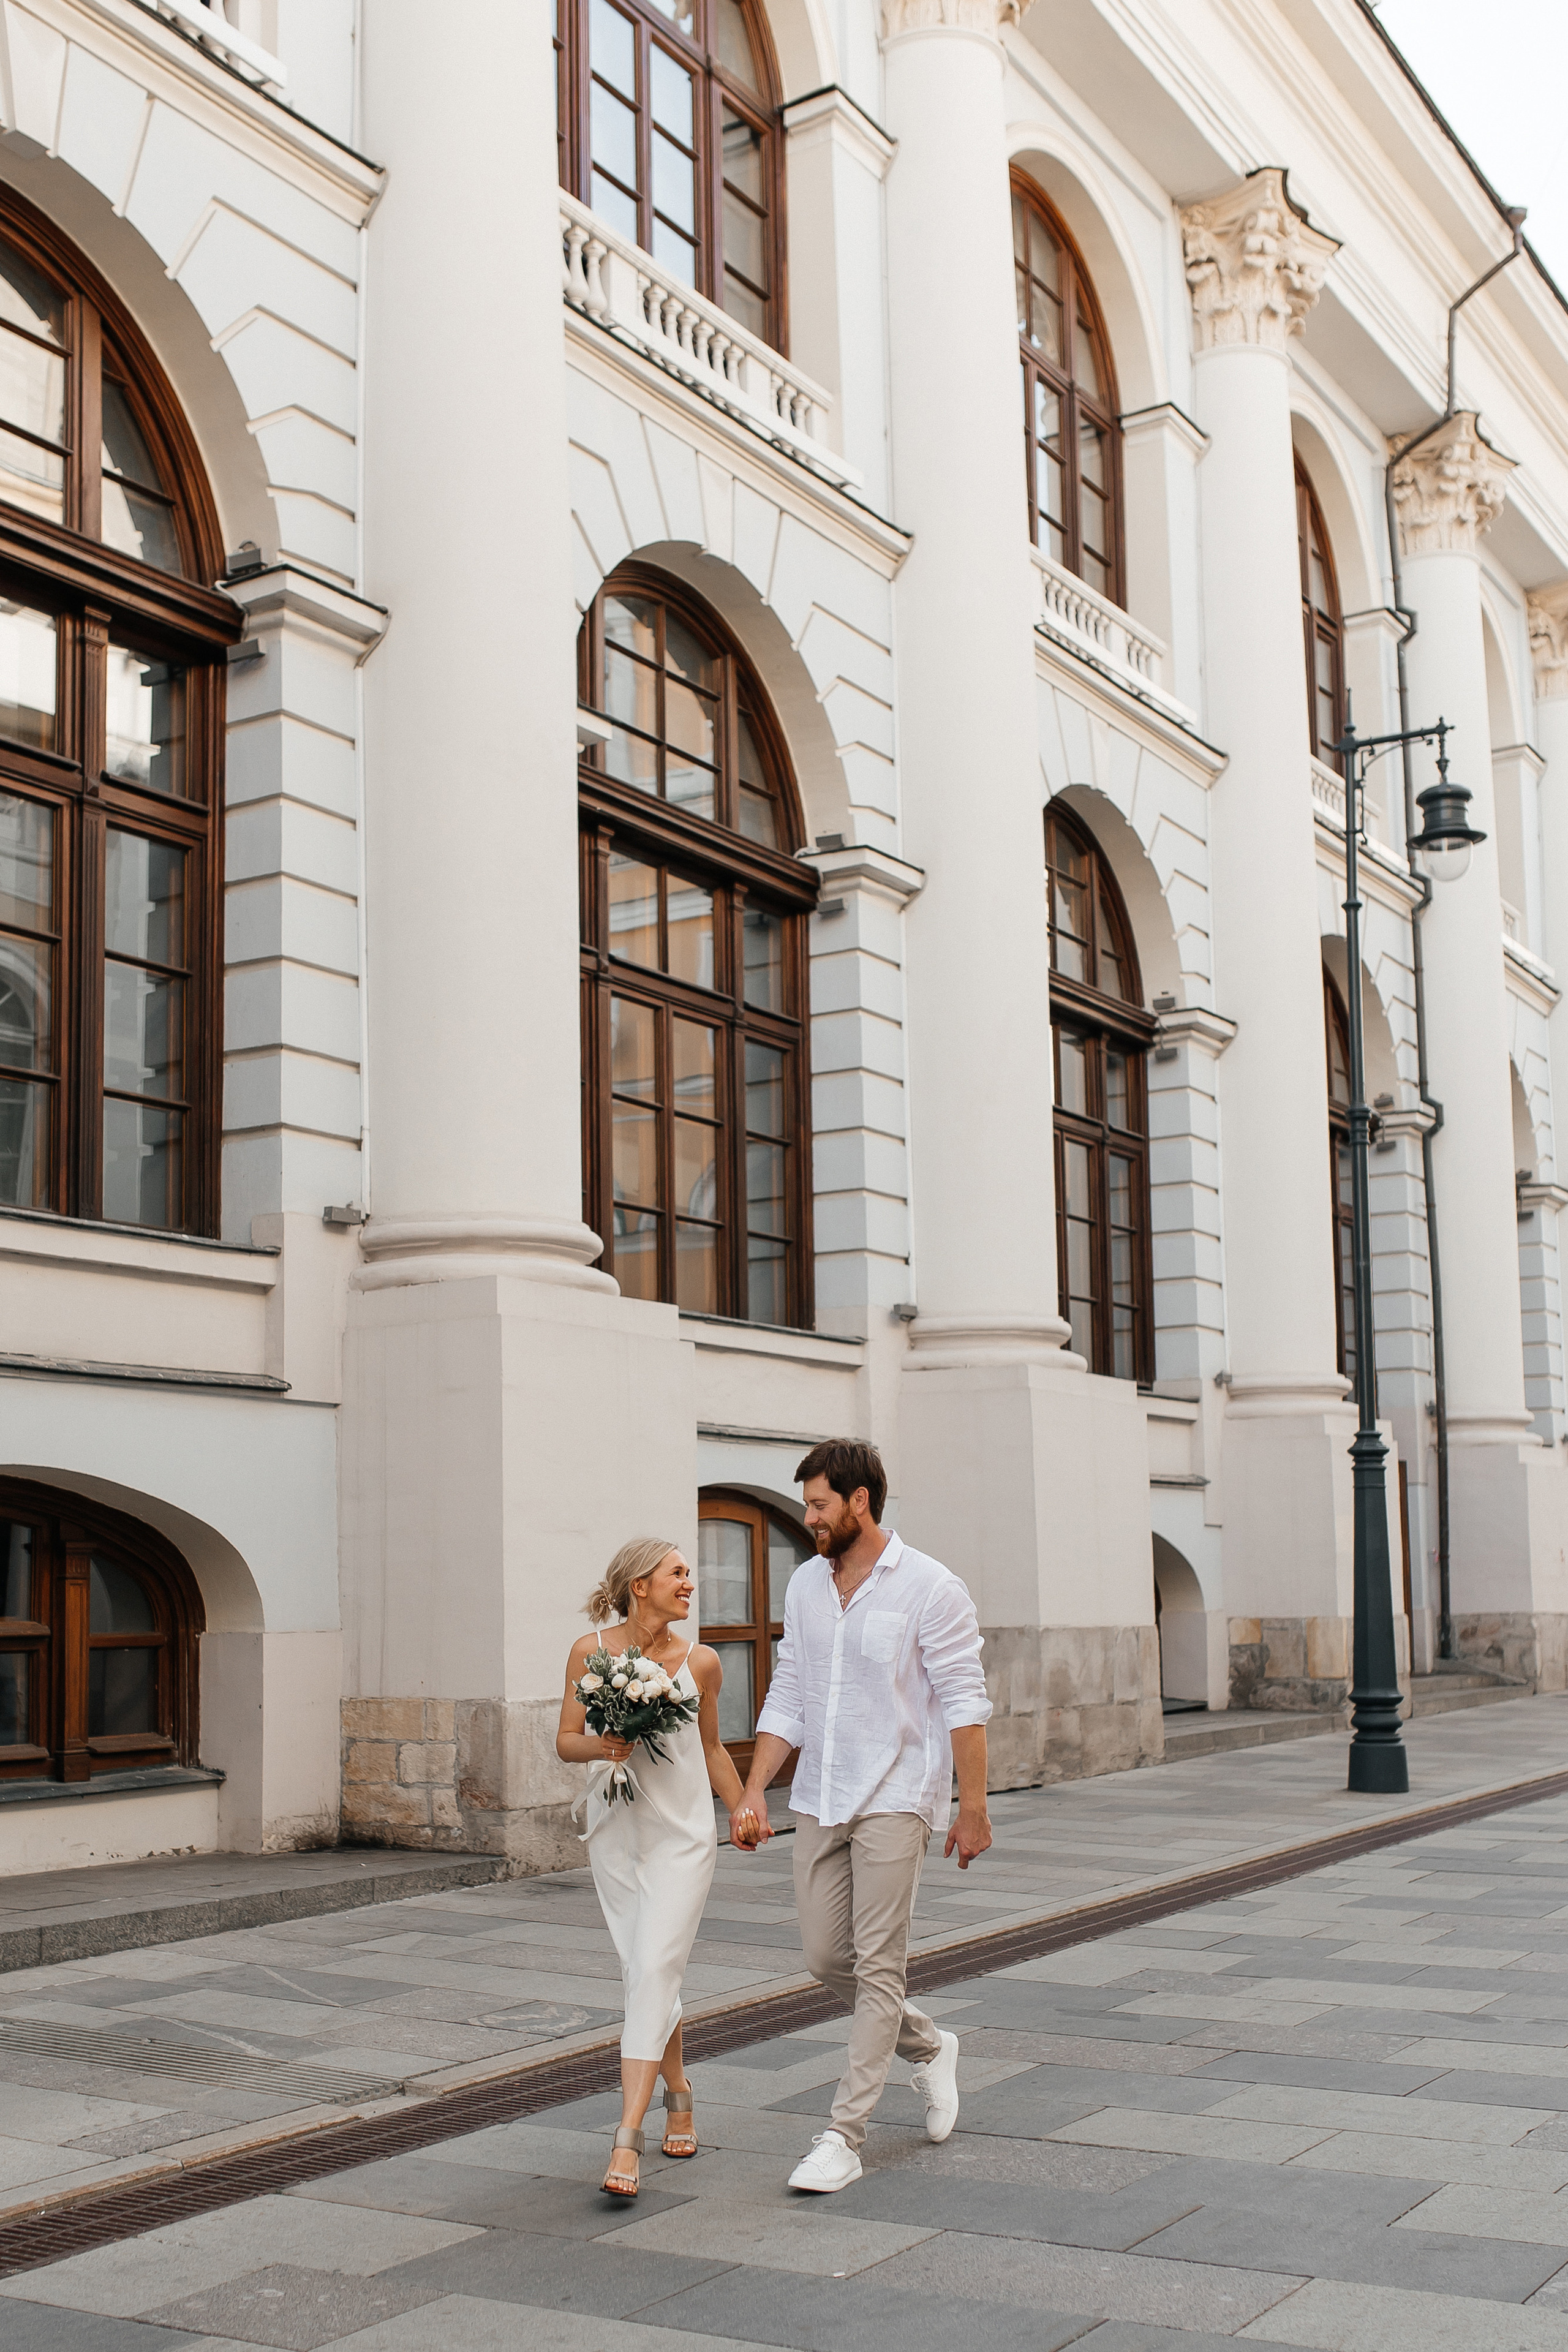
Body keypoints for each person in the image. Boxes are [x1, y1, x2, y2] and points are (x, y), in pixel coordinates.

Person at [734, 1438, 993, 2192]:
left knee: (880, 1964)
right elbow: (789, 1691)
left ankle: (843, 2138)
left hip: (897, 1795)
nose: (810, 1519)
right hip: (821, 1792)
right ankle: (929, 2045)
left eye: (819, 1505)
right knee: (825, 1959)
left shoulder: (931, 1587)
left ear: (859, 1501)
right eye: (807, 1506)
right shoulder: (805, 1585)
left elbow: (965, 1703)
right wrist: (753, 1791)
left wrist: (972, 1808)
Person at [557, 1536, 767, 2199]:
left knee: (652, 1968)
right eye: (677, 1573)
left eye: (689, 1575)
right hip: (616, 1835)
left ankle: (626, 2137)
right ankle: (678, 2092)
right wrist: (606, 1744)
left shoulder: (701, 1661)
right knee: (646, 1969)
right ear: (639, 1585)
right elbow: (566, 1741)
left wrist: (741, 1809)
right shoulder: (589, 1652)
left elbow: (711, 1748)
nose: (689, 1584)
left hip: (682, 1839)